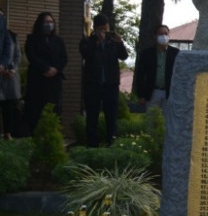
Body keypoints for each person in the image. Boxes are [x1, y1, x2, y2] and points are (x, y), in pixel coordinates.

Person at [80, 13, 129, 147]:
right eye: (101, 29)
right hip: (92, 85)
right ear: (95, 28)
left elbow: (124, 56)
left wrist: (120, 42)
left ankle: (112, 143)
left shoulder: (112, 42)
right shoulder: (87, 41)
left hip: (110, 85)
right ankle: (92, 145)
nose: (104, 31)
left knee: (111, 116)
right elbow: (85, 54)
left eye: (106, 28)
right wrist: (98, 42)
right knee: (92, 117)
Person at [23, 12, 68, 134]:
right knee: (35, 109)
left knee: (54, 109)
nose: (49, 25)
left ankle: (52, 134)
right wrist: (45, 68)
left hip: (54, 81)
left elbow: (64, 58)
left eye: (51, 22)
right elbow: (32, 56)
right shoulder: (32, 39)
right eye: (46, 22)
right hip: (38, 79)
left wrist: (55, 69)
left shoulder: (58, 40)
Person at [133, 24, 180, 110]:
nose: (163, 36)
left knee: (169, 120)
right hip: (152, 93)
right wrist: (141, 95)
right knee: (151, 120)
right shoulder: (146, 54)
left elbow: (180, 74)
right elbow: (140, 75)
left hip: (170, 93)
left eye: (166, 34)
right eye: (160, 34)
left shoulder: (176, 53)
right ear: (155, 36)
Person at [0, 10, 20, 139]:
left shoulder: (11, 36)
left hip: (9, 77)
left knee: (10, 106)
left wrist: (12, 69)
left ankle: (8, 133)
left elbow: (17, 55)